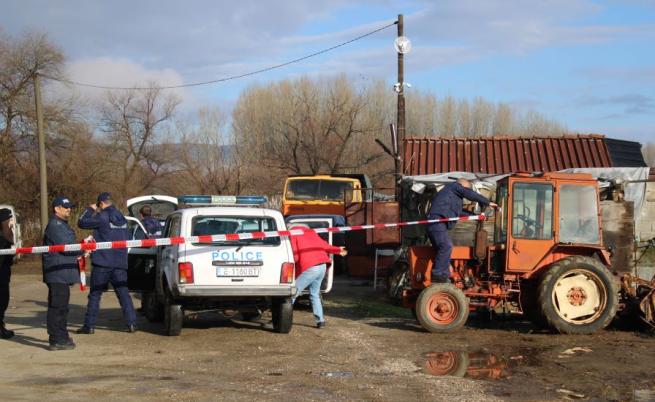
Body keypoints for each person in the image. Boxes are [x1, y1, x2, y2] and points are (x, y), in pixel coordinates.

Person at [77, 192, 137, 334]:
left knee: (95, 294)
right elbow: (128, 237)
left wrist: (90, 209)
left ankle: (89, 326)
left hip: (102, 262)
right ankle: (132, 324)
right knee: (123, 294)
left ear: (101, 203)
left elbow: (82, 223)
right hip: (120, 262)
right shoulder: (122, 218)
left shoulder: (102, 216)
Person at [426, 179, 497, 284]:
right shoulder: (454, 187)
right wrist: (486, 201)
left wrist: (476, 217)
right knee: (447, 246)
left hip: (438, 225)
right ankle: (438, 277)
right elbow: (467, 193)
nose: (467, 195)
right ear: (462, 186)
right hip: (437, 223)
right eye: (467, 190)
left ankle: (444, 276)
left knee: (443, 250)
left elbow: (459, 213)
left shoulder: (453, 198)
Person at [42, 197, 84, 350]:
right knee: (57, 307)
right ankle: (56, 339)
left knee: (62, 308)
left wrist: (81, 246)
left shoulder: (62, 225)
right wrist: (83, 247)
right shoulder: (55, 225)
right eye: (65, 207)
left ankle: (61, 335)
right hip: (57, 273)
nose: (69, 209)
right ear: (56, 209)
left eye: (69, 207)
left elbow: (70, 245)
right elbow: (67, 247)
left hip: (62, 273)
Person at [288, 223, 347, 328]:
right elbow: (325, 246)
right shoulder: (311, 232)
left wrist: (293, 266)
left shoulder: (293, 233)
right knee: (314, 294)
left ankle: (282, 318)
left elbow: (295, 254)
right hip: (322, 266)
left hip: (310, 267)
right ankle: (321, 321)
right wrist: (339, 250)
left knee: (291, 294)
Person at [0, 208, 15, 339]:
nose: (10, 222)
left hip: (5, 276)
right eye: (8, 220)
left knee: (3, 301)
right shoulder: (2, 237)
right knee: (2, 301)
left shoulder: (6, 234)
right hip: (1, 277)